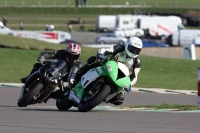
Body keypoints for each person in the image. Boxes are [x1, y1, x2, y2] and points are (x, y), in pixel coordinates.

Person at [72, 37, 143, 105]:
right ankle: (76, 76)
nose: (134, 52)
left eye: (136, 50)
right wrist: (101, 55)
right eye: (132, 49)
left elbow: (134, 77)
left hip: (120, 77)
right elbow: (104, 50)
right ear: (127, 45)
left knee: (119, 99)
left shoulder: (137, 62)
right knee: (93, 60)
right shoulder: (120, 48)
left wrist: (130, 84)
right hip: (108, 66)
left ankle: (101, 97)